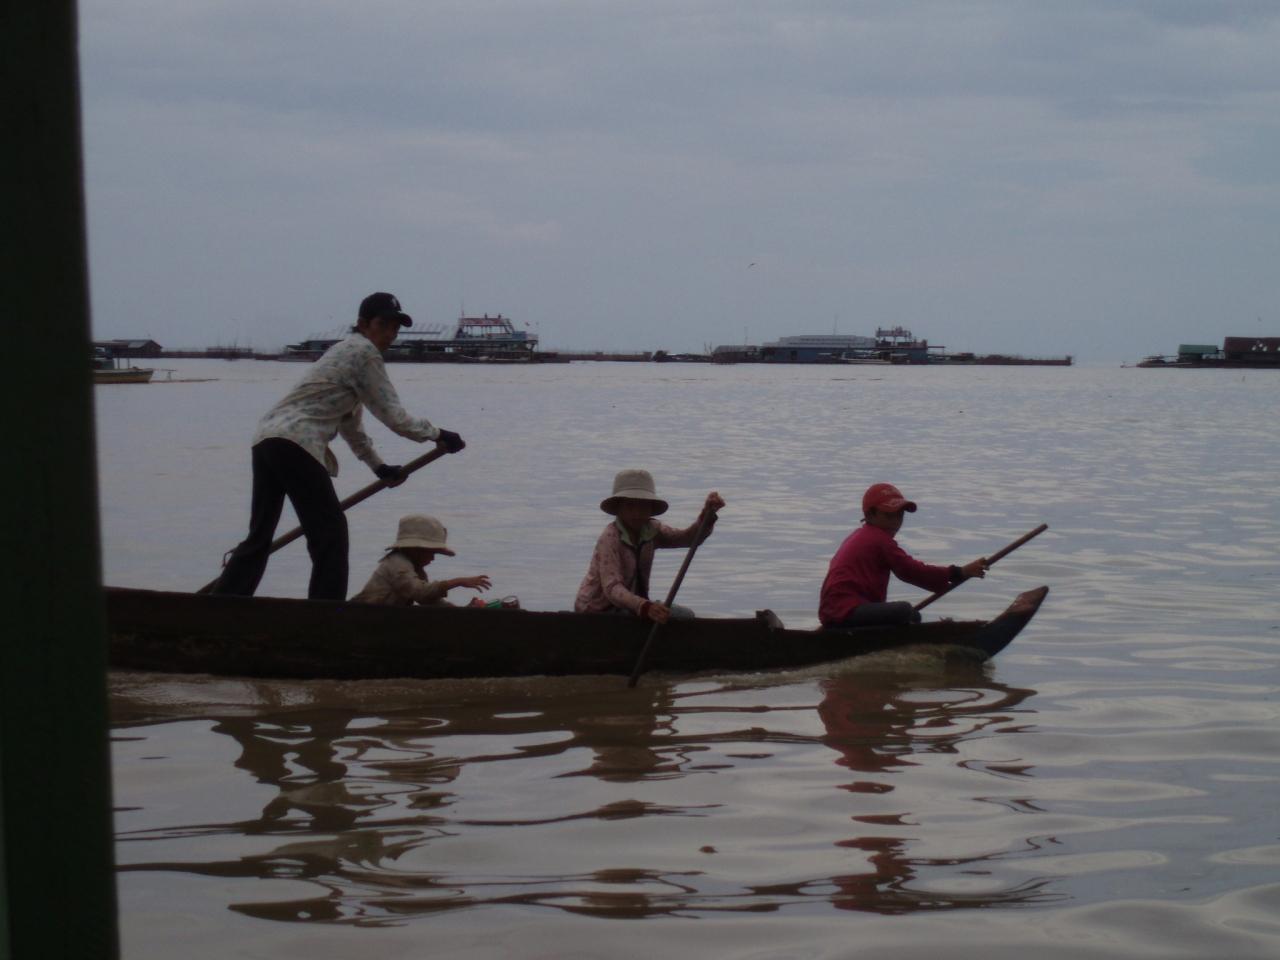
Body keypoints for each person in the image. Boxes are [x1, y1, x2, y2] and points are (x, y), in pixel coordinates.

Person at [212, 292, 465, 601]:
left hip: (267, 440)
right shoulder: (365, 353)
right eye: (383, 325)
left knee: (260, 535)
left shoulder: (344, 351)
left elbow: (350, 423)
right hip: (296, 443)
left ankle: (223, 603)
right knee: (330, 535)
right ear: (363, 324)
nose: (390, 334)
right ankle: (327, 615)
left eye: (395, 328)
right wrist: (438, 434)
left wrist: (378, 466)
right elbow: (393, 416)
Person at [819, 482, 988, 629]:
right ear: (870, 514)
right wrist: (958, 572)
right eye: (888, 515)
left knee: (912, 615)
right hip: (846, 611)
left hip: (837, 611)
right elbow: (910, 570)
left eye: (900, 515)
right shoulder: (878, 539)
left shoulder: (861, 535)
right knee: (905, 611)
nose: (895, 521)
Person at [575, 469, 725, 622]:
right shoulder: (610, 537)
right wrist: (645, 607)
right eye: (630, 506)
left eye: (643, 506)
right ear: (619, 508)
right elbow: (612, 587)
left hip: (634, 606)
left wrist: (707, 516)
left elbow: (688, 539)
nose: (637, 513)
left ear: (651, 508)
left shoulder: (652, 530)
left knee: (686, 616)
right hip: (598, 610)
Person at [350, 514, 492, 606]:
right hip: (361, 616)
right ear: (415, 549)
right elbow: (420, 592)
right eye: (431, 553)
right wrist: (458, 582)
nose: (432, 558)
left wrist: (466, 610)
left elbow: (430, 601)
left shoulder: (415, 570)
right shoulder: (397, 564)